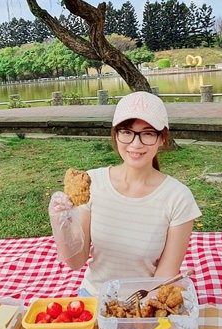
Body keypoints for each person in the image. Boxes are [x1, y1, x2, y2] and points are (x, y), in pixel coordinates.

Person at [48, 91, 202, 294]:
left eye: (148, 133)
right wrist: (62, 225)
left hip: (145, 301)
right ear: (116, 135)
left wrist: (135, 315)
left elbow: (165, 274)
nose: (136, 144)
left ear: (162, 138)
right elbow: (76, 262)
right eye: (127, 132)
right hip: (94, 296)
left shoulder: (178, 197)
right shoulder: (92, 184)